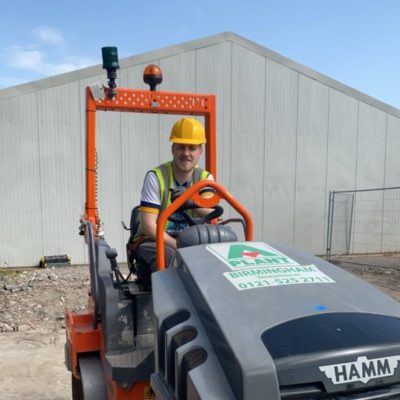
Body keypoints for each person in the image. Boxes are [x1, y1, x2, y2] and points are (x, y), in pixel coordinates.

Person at [133, 117, 214, 281]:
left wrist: (188, 199)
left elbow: (210, 215)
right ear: (173, 149)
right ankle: (167, 305)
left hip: (192, 242)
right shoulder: (156, 177)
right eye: (181, 147)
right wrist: (178, 246)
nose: (186, 153)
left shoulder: (205, 179)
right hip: (156, 241)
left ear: (200, 151)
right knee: (170, 259)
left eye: (192, 148)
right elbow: (148, 225)